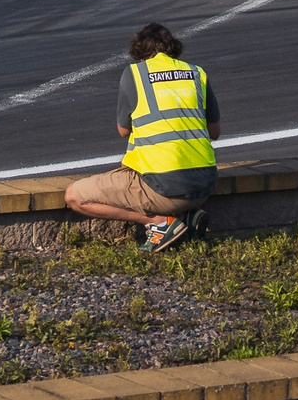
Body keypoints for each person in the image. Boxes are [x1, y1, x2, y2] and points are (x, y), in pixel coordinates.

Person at [65, 23, 221, 253]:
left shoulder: (135, 74)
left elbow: (123, 130)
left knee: (74, 196)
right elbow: (214, 132)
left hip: (166, 190)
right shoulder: (197, 73)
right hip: (205, 186)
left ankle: (159, 222)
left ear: (141, 53)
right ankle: (187, 217)